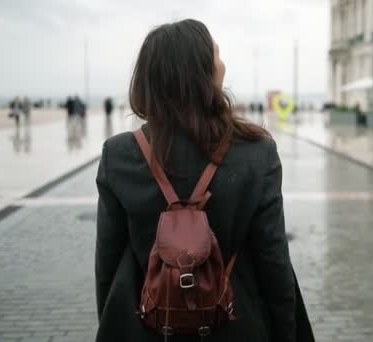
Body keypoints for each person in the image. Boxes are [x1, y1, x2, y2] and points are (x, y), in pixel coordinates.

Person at [95, 19, 314, 342]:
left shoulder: (119, 155)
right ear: (204, 73)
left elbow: (108, 267)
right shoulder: (257, 153)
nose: (222, 64)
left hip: (149, 328)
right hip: (239, 327)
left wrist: (112, 324)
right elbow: (274, 264)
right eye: (217, 55)